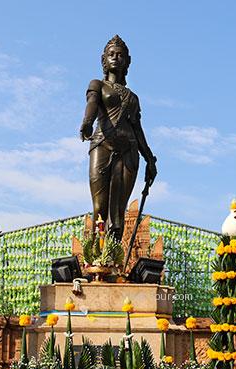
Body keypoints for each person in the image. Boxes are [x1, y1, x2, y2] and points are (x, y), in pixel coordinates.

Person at [80, 35, 157, 241]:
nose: (116, 57)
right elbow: (92, 105)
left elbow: (137, 129)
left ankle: (114, 256)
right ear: (104, 59)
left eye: (120, 55)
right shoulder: (97, 85)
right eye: (111, 54)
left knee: (118, 215)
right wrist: (87, 122)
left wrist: (150, 158)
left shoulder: (133, 98)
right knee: (99, 207)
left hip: (128, 151)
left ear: (127, 61)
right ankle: (95, 254)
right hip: (102, 144)